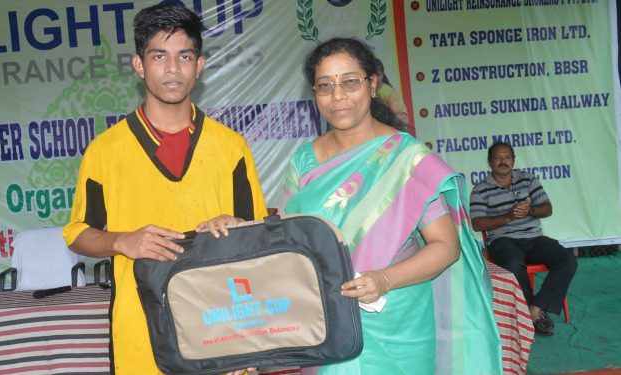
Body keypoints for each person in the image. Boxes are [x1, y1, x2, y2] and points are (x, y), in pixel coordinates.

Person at [62, 3, 267, 374]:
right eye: (159, 56)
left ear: (199, 66)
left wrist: (236, 225)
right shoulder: (105, 151)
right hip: (141, 332)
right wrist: (121, 241)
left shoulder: (231, 148)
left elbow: (261, 238)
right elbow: (77, 234)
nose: (172, 69)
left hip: (223, 331)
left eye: (184, 56)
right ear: (139, 65)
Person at [280, 38, 501, 374]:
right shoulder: (304, 160)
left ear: (372, 84)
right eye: (325, 86)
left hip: (398, 320)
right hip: (327, 322)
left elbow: (446, 246)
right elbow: (285, 240)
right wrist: (237, 230)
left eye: (350, 82)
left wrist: (384, 280)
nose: (338, 96)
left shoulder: (405, 158)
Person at [470, 142, 577, 336]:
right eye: (498, 157)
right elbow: (477, 224)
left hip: (533, 237)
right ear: (489, 162)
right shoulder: (480, 189)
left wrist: (532, 210)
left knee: (567, 260)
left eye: (507, 157)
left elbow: (548, 209)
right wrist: (508, 217)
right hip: (502, 240)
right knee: (512, 264)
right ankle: (533, 312)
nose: (503, 161)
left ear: (513, 160)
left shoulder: (528, 180)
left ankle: (534, 309)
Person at [374, 58, 409, 129]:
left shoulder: (389, 92)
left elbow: (404, 120)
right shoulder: (364, 92)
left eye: (379, 75)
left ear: (383, 74)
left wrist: (384, 117)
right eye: (373, 75)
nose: (376, 79)